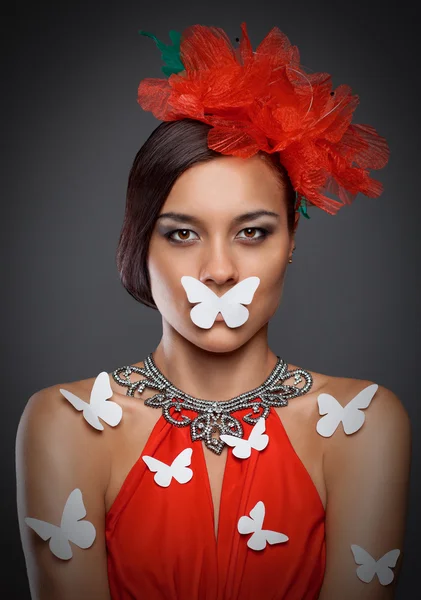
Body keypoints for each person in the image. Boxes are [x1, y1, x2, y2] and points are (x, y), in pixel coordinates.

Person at [16, 22, 411, 600]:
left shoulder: (363, 423)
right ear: (139, 243)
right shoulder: (65, 424)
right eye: (181, 235)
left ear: (292, 240)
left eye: (252, 231)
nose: (219, 270)